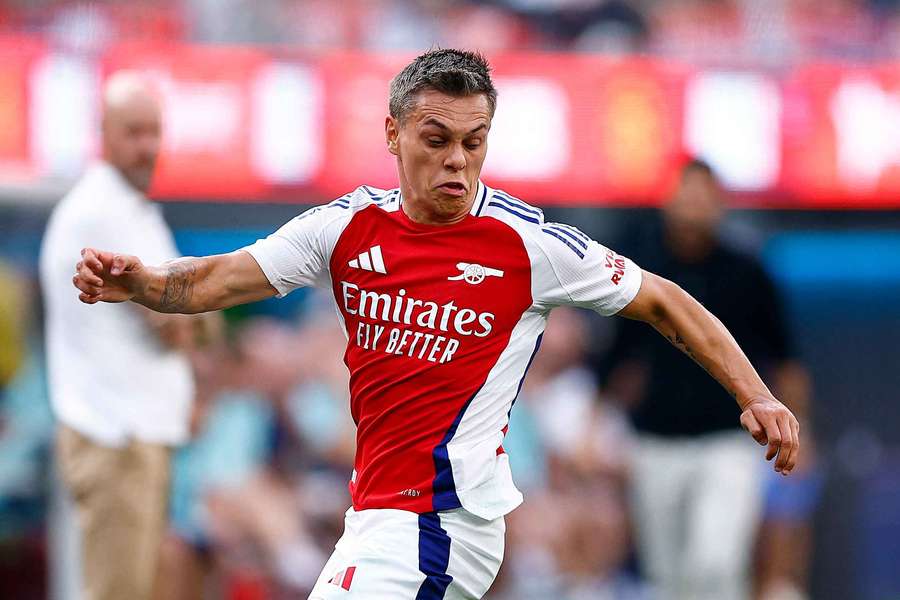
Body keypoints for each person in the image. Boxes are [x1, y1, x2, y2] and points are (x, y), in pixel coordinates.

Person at [72, 50, 799, 600]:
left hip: (444, 522)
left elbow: (664, 300)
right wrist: (139, 282)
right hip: (375, 514)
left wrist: (755, 394)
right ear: (392, 133)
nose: (457, 160)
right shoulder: (344, 228)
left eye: (474, 141)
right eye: (436, 138)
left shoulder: (529, 244)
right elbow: (218, 278)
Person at [596, 158, 811, 600]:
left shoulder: (746, 270)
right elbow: (618, 355)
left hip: (729, 442)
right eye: (686, 192)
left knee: (715, 563)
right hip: (654, 440)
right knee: (667, 575)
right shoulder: (643, 264)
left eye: (703, 194)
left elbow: (786, 359)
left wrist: (798, 430)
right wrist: (595, 420)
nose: (694, 203)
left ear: (721, 204)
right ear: (667, 201)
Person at [41, 71, 201, 600]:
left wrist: (193, 313)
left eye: (154, 131)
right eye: (133, 131)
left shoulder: (128, 211)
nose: (147, 146)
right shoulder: (102, 211)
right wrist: (197, 312)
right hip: (117, 434)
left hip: (132, 433)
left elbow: (187, 319)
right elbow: (175, 330)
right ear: (102, 132)